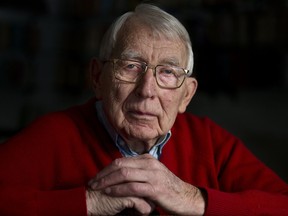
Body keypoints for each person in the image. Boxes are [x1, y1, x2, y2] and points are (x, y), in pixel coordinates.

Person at [0, 3, 287, 215]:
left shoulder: (211, 142)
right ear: (98, 78)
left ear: (186, 94)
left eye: (168, 73)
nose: (147, 90)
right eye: (131, 66)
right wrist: (88, 202)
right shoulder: (55, 134)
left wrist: (193, 198)